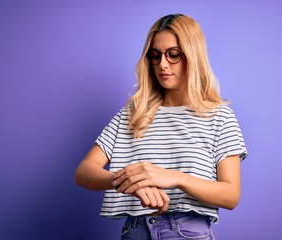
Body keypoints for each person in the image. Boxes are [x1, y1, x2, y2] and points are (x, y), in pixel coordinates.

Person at [75, 13, 247, 240]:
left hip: (186, 232)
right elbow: (84, 171)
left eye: (173, 55)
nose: (162, 64)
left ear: (192, 56)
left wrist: (175, 177)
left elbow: (231, 195)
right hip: (135, 231)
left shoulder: (219, 117)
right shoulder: (133, 114)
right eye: (155, 56)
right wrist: (128, 181)